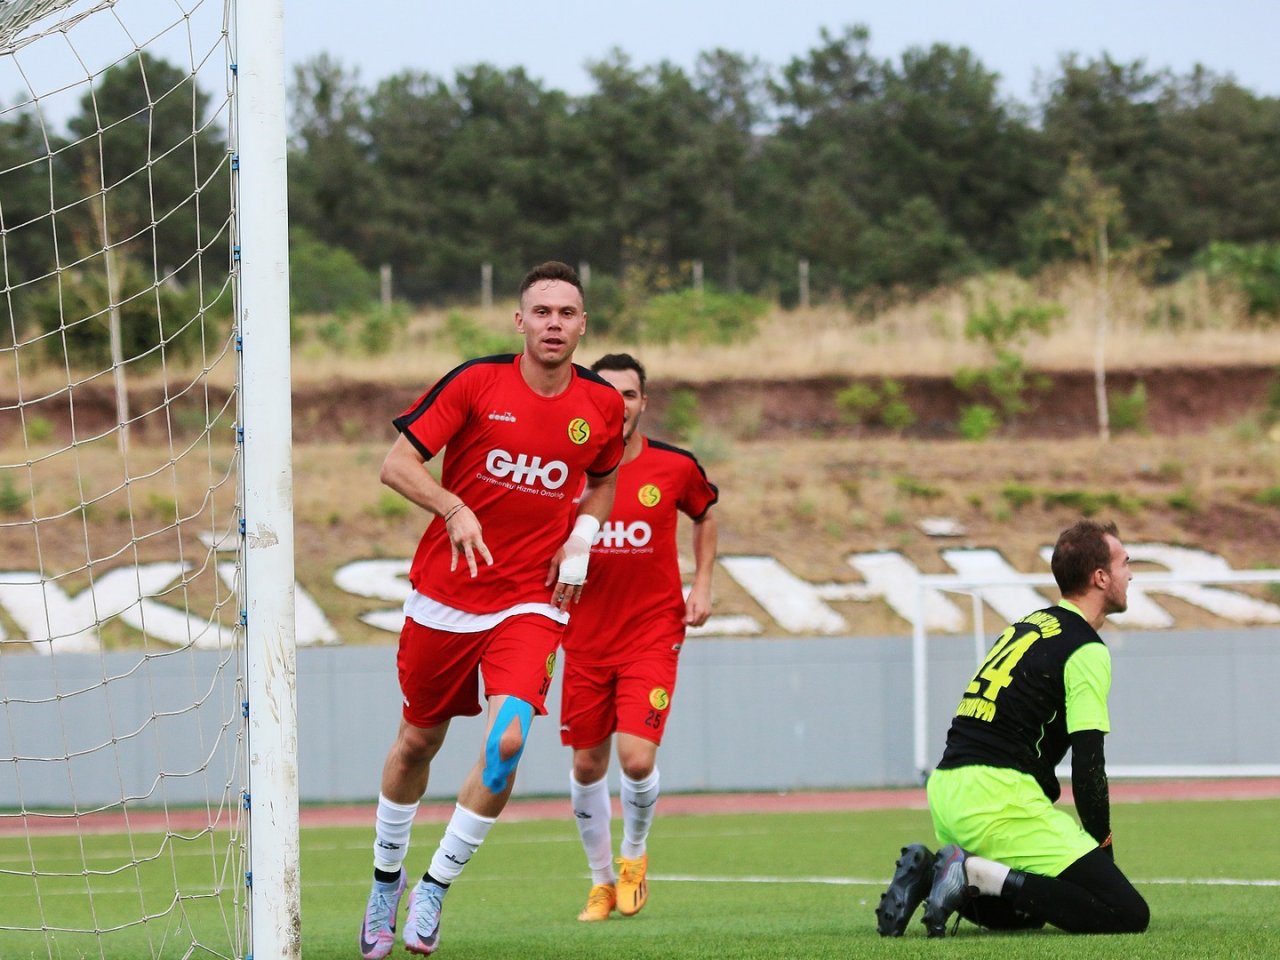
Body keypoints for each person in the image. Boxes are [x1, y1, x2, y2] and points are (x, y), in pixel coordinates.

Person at [358, 261, 625, 958]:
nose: (554, 325)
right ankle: (387, 879)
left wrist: (582, 541)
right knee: (418, 741)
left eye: (567, 313)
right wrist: (453, 507)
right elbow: (396, 464)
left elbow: (603, 479)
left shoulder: (599, 405)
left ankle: (436, 888)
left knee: (508, 742)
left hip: (532, 602)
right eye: (542, 312)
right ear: (520, 321)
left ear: (583, 323)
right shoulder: (476, 382)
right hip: (445, 596)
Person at [875, 519, 1150, 938]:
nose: (1129, 574)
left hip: (948, 789)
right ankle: (969, 873)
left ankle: (936, 874)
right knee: (1125, 914)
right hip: (997, 799)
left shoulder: (1028, 625)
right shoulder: (1085, 648)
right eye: (1124, 563)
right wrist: (1102, 848)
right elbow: (1089, 764)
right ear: (1100, 577)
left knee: (1034, 908)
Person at [558, 353, 719, 922]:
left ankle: (632, 859)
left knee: (634, 755)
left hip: (652, 631)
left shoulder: (674, 466)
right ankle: (600, 882)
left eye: (629, 394)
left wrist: (700, 582)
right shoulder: (567, 468)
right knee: (585, 767)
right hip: (581, 636)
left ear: (642, 403)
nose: (619, 404)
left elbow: (703, 512)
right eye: (608, 392)